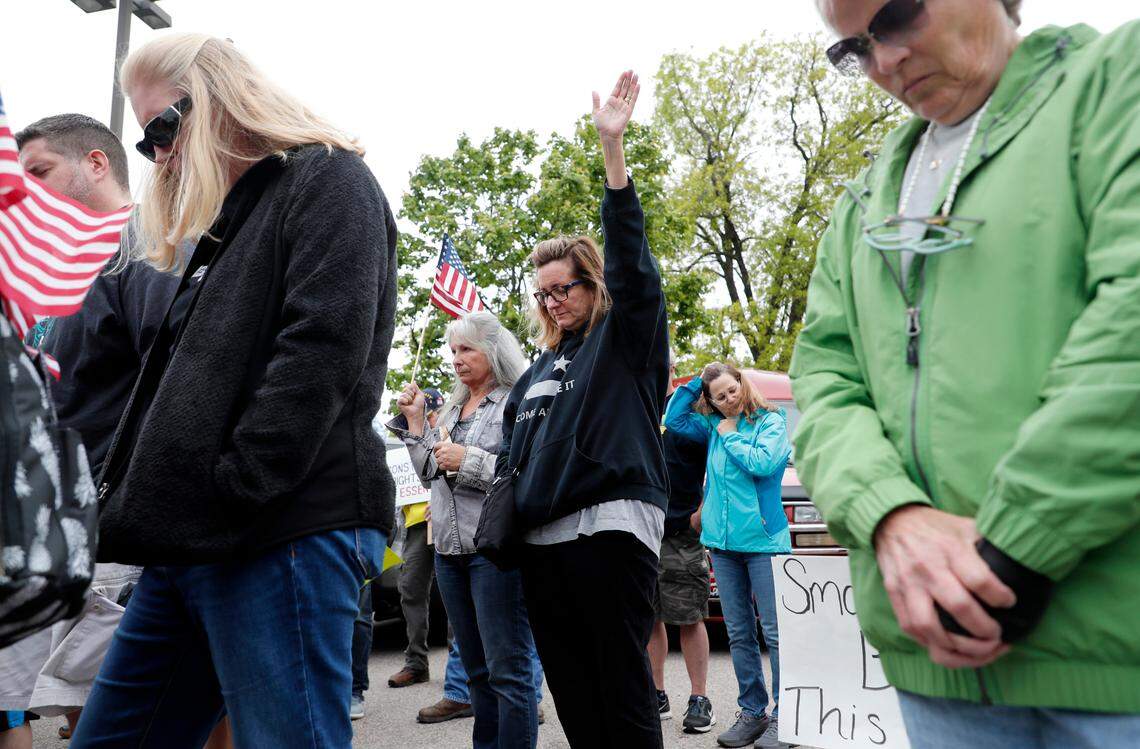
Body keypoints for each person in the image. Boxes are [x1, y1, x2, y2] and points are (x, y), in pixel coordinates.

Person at [791, 1, 1140, 746]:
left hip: (1115, 671)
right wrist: (891, 516)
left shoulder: (1115, 81)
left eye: (900, 15)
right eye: (855, 46)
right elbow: (825, 384)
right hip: (937, 680)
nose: (884, 64)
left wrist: (1014, 553)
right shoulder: (860, 204)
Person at [70, 33, 398, 749]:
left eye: (162, 127)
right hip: (192, 539)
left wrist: (238, 484)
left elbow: (321, 348)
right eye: (144, 140)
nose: (158, 154)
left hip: (282, 525)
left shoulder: (328, 177)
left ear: (216, 96)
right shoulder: (233, 223)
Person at [498, 71, 669, 749]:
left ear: (589, 282)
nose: (550, 302)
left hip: (608, 531)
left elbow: (633, 265)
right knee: (574, 703)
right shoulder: (535, 370)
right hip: (541, 546)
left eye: (561, 288)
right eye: (540, 294)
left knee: (622, 700)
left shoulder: (623, 340)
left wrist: (613, 153)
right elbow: (511, 457)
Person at [388, 311, 542, 749]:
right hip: (450, 552)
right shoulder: (453, 408)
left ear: (493, 352)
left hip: (494, 552)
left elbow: (527, 473)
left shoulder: (518, 400)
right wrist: (417, 426)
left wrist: (468, 460)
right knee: (475, 671)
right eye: (453, 350)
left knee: (508, 672)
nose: (457, 358)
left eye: (467, 349)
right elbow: (428, 475)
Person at [664, 362, 791, 749]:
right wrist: (694, 385)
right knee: (738, 634)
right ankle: (753, 713)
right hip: (722, 544)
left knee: (774, 633)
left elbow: (763, 463)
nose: (728, 399)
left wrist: (732, 435)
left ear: (742, 382)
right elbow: (674, 418)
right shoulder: (712, 426)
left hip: (764, 543)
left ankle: (785, 716)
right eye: (718, 396)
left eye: (731, 390)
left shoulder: (771, 421)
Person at [646, 353, 715, 733]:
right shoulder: (636, 409)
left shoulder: (691, 414)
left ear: (672, 371)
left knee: (689, 617)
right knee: (649, 617)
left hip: (680, 532)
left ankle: (700, 698)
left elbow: (718, 464)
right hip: (642, 531)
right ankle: (656, 695)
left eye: (662, 367)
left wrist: (701, 511)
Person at [386, 387, 445, 691]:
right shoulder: (405, 441)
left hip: (446, 520)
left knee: (453, 591)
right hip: (416, 527)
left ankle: (463, 670)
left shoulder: (445, 433)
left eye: (430, 412)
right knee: (410, 588)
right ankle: (416, 663)